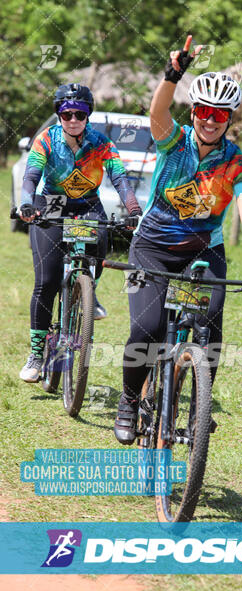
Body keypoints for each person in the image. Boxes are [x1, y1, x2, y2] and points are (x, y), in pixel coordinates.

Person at [114, 36, 242, 445]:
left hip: (204, 252)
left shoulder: (236, 163)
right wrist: (174, 74)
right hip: (152, 246)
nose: (210, 120)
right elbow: (157, 110)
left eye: (218, 115)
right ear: (194, 112)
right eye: (203, 111)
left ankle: (198, 406)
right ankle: (130, 400)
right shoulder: (174, 141)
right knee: (146, 329)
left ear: (228, 120)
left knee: (210, 329)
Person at [19, 83, 141, 383]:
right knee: (46, 281)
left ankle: (88, 291)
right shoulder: (46, 140)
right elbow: (31, 176)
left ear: (88, 115)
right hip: (50, 205)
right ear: (59, 115)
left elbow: (120, 177)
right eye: (67, 114)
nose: (73, 119)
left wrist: (133, 208)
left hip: (88, 206)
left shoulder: (101, 143)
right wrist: (26, 203)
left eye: (80, 114)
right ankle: (36, 353)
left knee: (100, 239)